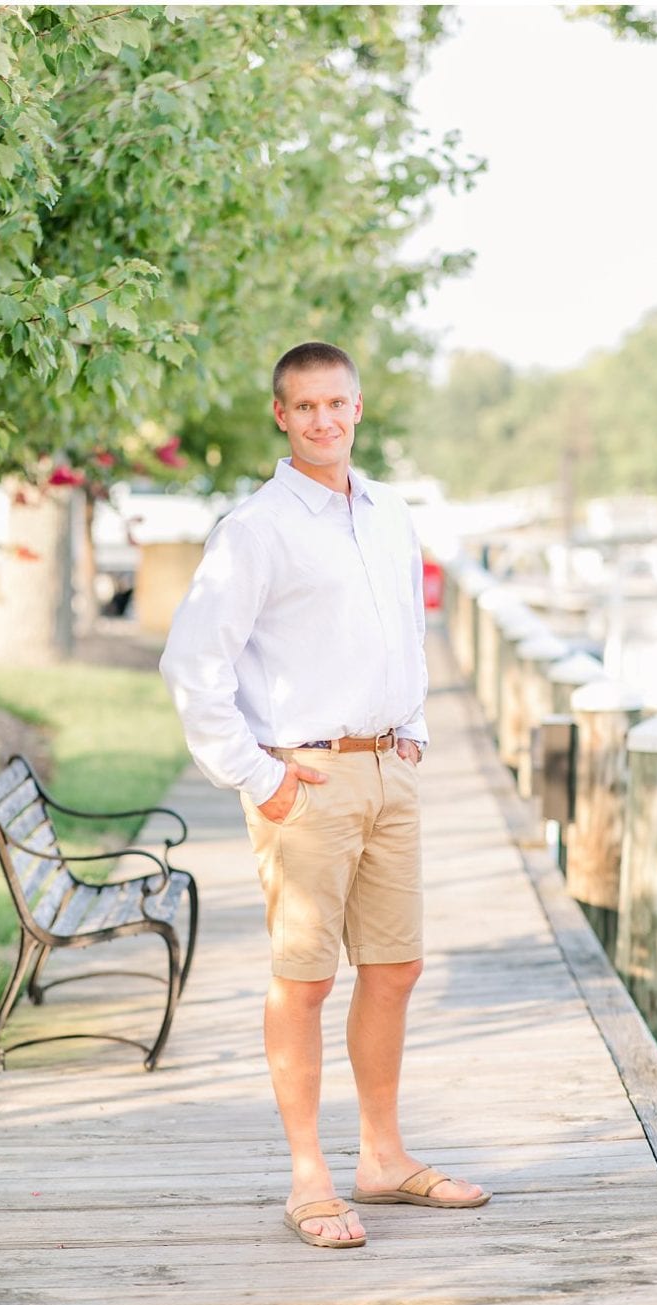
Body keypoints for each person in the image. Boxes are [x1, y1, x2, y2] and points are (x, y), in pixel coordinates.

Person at [160, 341, 487, 1249]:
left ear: (357, 406)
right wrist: (258, 778)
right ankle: (311, 1176)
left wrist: (411, 721)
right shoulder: (256, 529)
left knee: (396, 969)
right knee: (303, 979)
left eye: (337, 403)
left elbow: (406, 628)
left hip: (390, 771)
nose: (323, 420)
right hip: (304, 779)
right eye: (304, 407)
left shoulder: (389, 512)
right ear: (281, 415)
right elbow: (193, 665)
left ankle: (381, 1157)